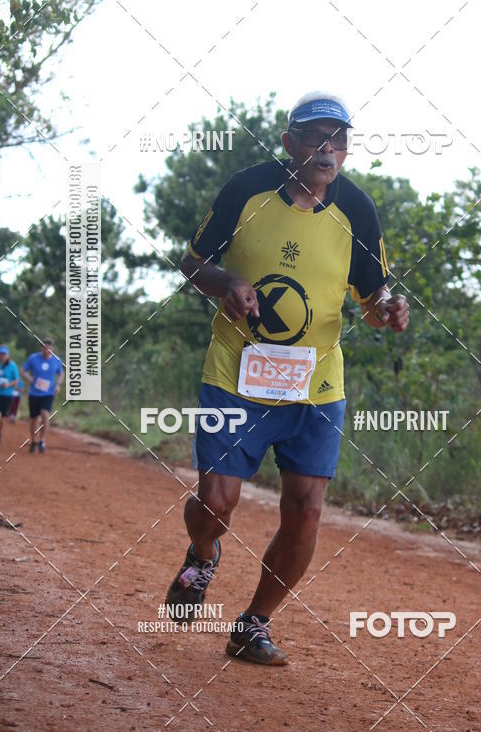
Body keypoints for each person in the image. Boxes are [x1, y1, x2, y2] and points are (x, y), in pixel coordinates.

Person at [166, 91, 410, 665]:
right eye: (317, 138)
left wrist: (389, 310)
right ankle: (203, 554)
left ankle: (252, 625)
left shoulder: (358, 210)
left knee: (305, 511)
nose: (329, 151)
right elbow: (192, 262)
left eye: (340, 141)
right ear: (288, 143)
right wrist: (227, 283)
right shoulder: (244, 190)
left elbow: (373, 295)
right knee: (216, 505)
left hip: (315, 387)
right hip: (237, 376)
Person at [20, 338, 64, 453]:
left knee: (45, 414)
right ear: (41, 349)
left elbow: (60, 373)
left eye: (49, 348)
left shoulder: (56, 360)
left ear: (52, 349)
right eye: (44, 348)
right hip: (34, 393)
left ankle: (42, 440)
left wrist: (58, 385)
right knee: (34, 419)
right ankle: (33, 441)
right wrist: (29, 379)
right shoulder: (33, 358)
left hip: (48, 393)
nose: (46, 351)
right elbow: (23, 370)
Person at [0, 345, 20, 448]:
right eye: (1, 353)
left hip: (7, 395)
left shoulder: (12, 365)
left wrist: (8, 385)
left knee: (1, 418)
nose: (2, 356)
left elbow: (16, 380)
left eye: (4, 354)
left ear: (7, 355)